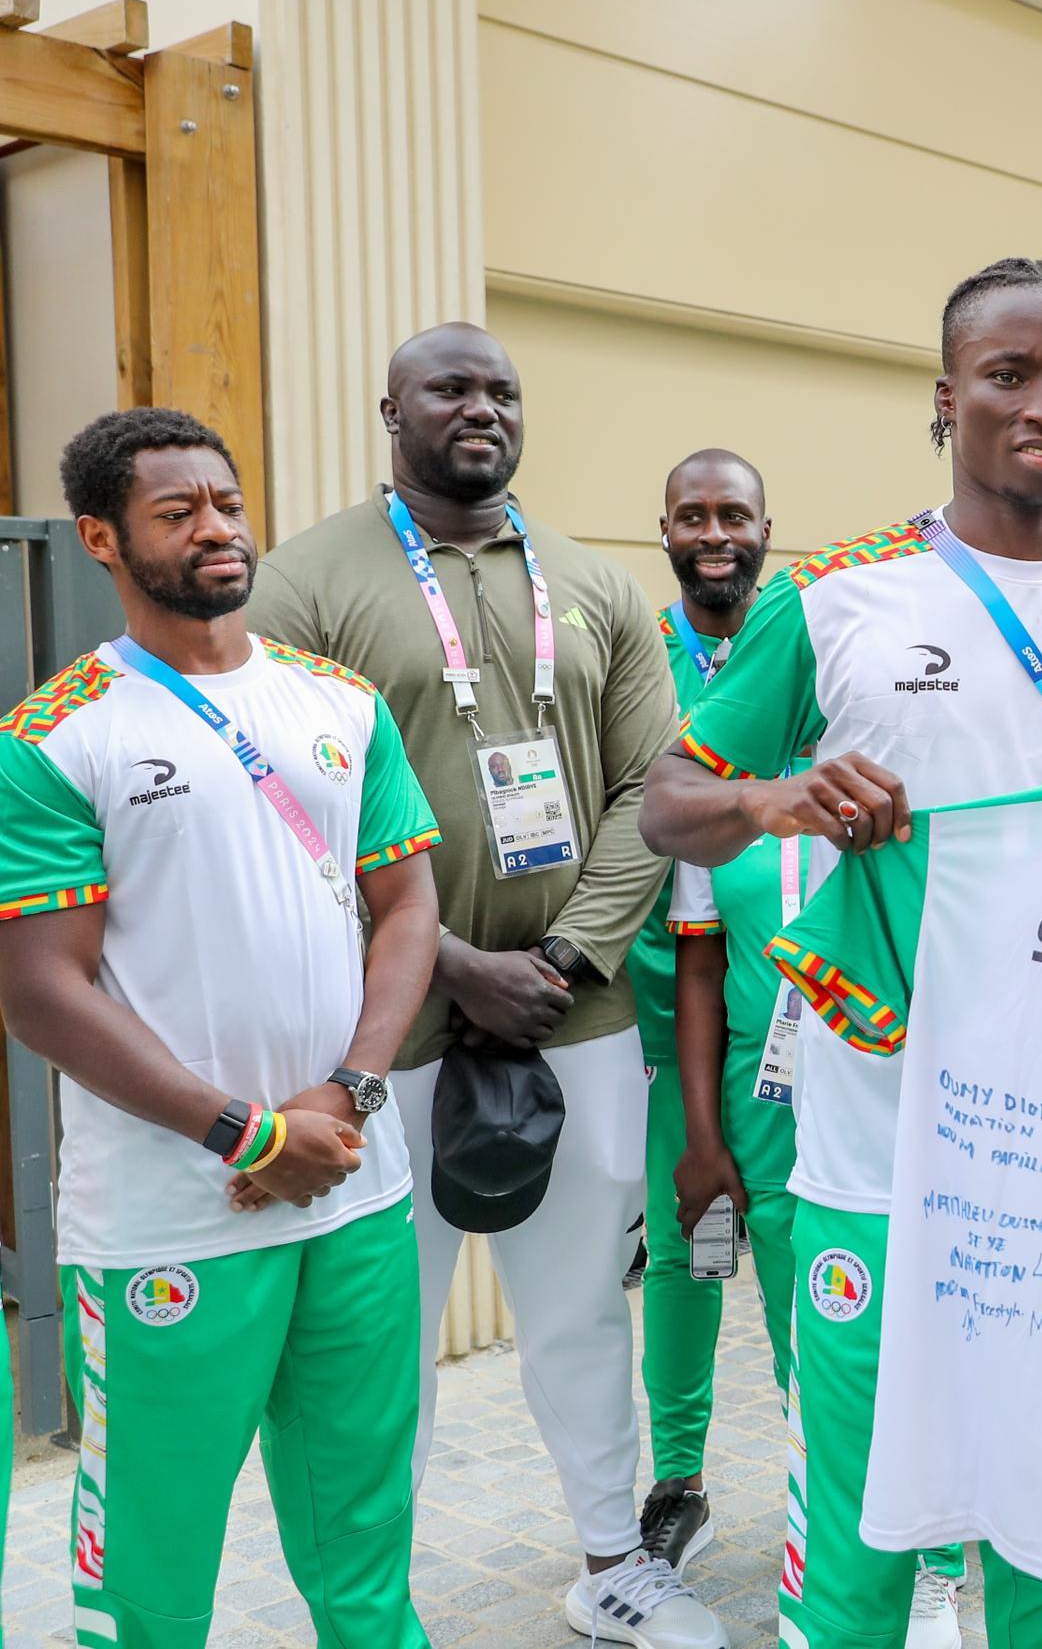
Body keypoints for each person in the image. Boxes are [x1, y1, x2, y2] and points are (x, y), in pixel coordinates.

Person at [637, 256, 1042, 1649]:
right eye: (1009, 374)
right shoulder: (837, 598)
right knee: (859, 1529)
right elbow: (664, 799)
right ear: (944, 400)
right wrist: (776, 797)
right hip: (873, 1150)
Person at [247, 324, 723, 1649]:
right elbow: (279, 803)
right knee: (380, 1324)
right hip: (381, 1027)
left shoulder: (594, 586)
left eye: (503, 389)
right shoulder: (307, 582)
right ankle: (373, 1603)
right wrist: (445, 959)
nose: (482, 407)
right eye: (452, 387)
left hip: (579, 1015)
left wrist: (566, 957)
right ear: (389, 407)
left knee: (576, 1302)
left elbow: (657, 789)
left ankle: (614, 1561)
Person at [0, 408, 444, 1645]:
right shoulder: (55, 738)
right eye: (177, 511)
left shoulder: (339, 700)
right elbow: (42, 987)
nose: (217, 529)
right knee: (153, 1570)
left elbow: (406, 904)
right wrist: (246, 1132)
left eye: (228, 503)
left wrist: (345, 1096)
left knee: (365, 1547)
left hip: (354, 1186)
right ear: (100, 537)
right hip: (169, 1219)